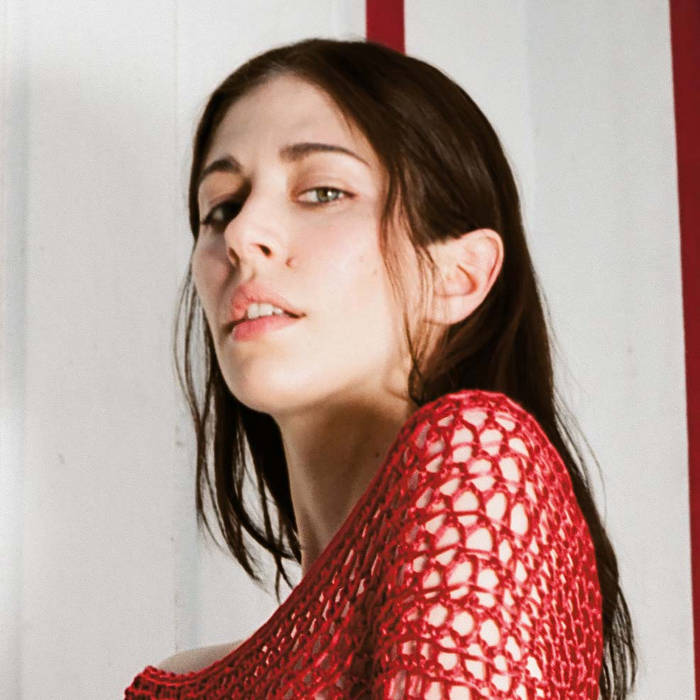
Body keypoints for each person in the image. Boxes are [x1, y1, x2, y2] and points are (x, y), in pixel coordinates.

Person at [124, 37, 636, 699]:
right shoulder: (178, 684)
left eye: (322, 192)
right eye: (221, 207)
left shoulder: (481, 452)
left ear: (457, 276)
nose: (242, 236)